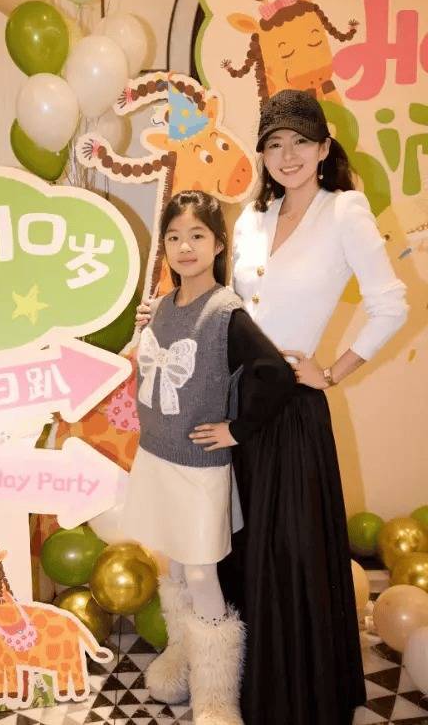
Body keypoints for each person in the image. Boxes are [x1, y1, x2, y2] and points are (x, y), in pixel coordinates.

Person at [137, 90, 408, 725]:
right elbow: (221, 303)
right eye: (274, 144)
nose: (287, 156)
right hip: (232, 404)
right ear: (262, 153)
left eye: (300, 143)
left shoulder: (345, 212)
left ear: (324, 149)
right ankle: (230, 686)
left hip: (290, 412)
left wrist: (332, 372)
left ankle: (293, 695)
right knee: (232, 545)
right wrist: (165, 311)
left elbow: (390, 304)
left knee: (286, 550)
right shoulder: (253, 218)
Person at [122, 189, 295, 725]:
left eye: (197, 235)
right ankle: (181, 660)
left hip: (198, 468)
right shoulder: (161, 306)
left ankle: (217, 697)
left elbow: (275, 374)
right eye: (174, 237)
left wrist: (235, 430)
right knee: (174, 566)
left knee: (200, 573)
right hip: (156, 455)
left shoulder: (224, 312)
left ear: (218, 244)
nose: (184, 247)